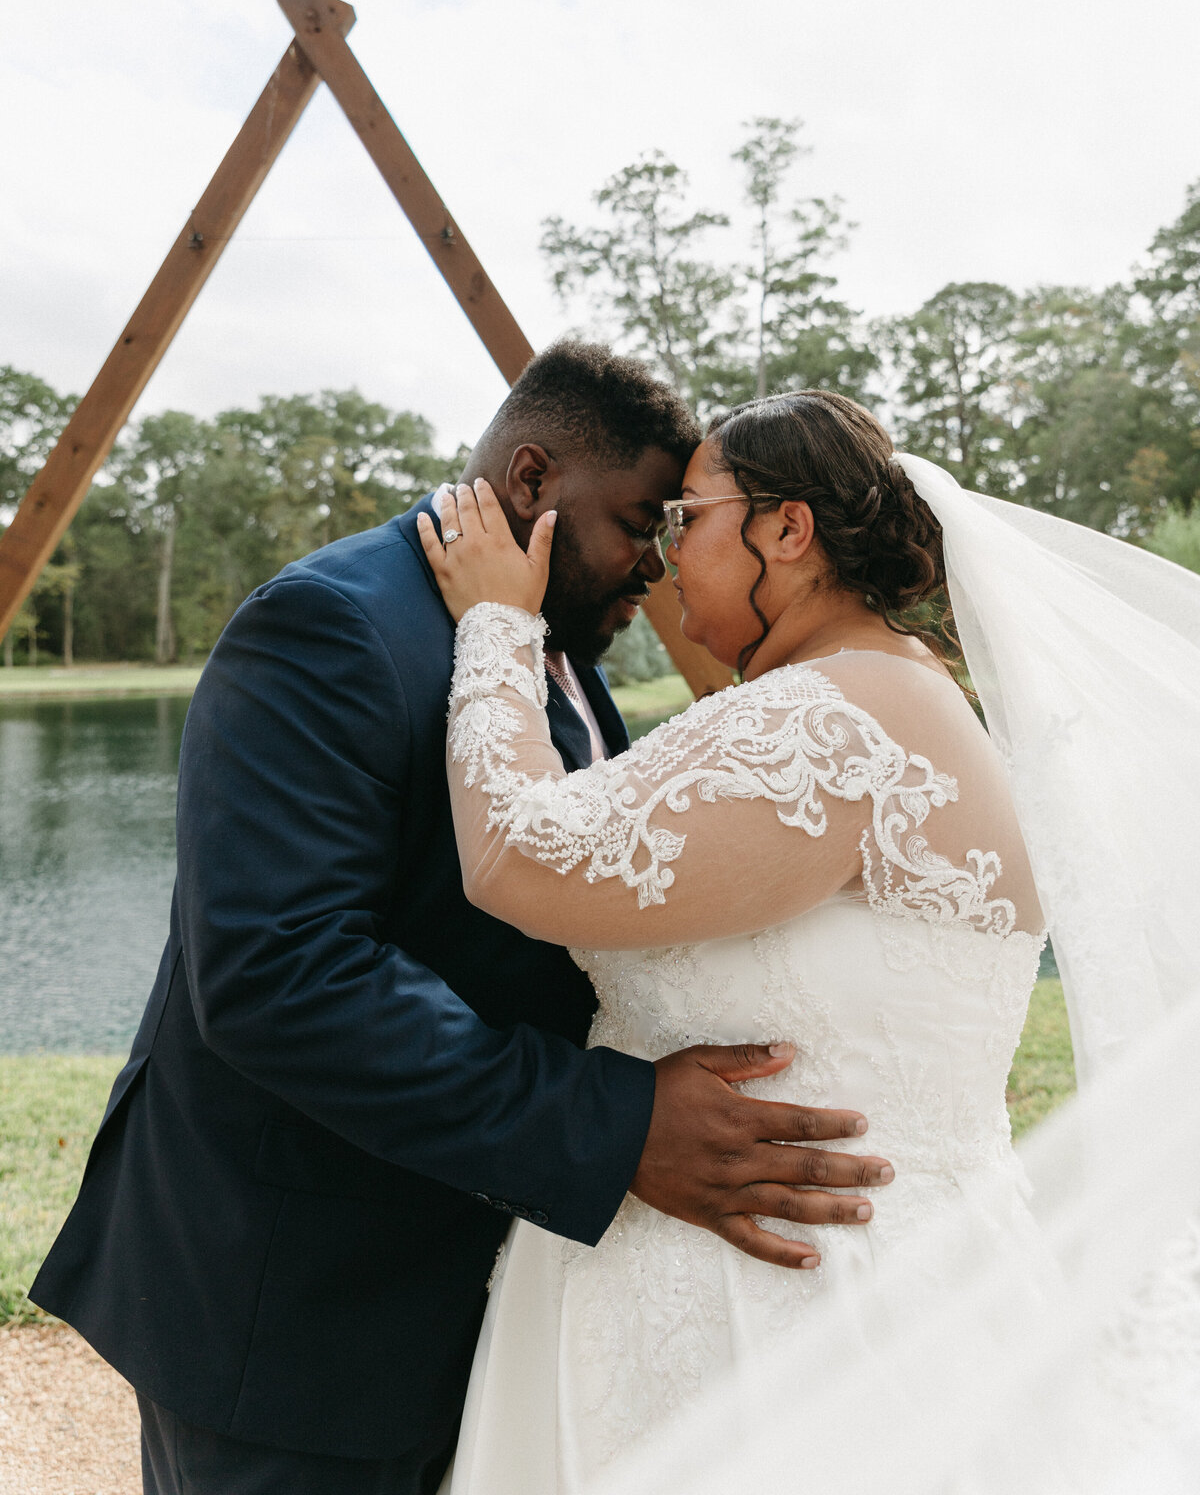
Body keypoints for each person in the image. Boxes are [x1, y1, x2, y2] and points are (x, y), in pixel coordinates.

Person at [31, 344, 889, 1495]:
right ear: (531, 476)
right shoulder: (331, 625)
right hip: (299, 1313)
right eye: (641, 520)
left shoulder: (556, 649)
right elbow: (283, 974)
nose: (660, 563)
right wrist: (613, 1123)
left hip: (472, 1290)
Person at [420, 388, 1051, 1492]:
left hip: (781, 1329)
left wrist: (495, 626)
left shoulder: (829, 720)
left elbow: (518, 857)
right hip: (904, 1278)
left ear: (787, 530)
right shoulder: (905, 695)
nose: (665, 561)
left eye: (689, 520)